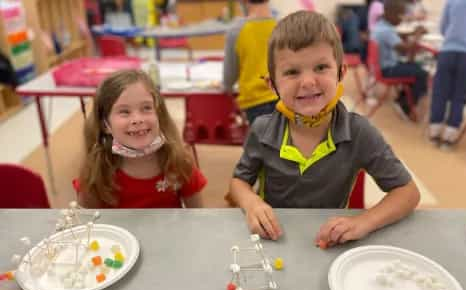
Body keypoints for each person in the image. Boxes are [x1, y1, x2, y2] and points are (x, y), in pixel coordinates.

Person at [228, 10, 420, 247]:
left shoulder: (359, 131)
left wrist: (364, 222)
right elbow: (239, 182)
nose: (308, 82)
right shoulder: (262, 129)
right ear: (272, 84)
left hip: (330, 244)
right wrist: (251, 203)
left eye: (321, 67)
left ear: (341, 72)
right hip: (274, 242)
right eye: (291, 72)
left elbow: (408, 193)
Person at [77, 69, 207, 208]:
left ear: (159, 115)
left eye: (146, 108)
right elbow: (87, 223)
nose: (137, 119)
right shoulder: (97, 171)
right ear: (105, 125)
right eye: (124, 112)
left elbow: (198, 217)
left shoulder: (180, 162)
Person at [428, 0, 466, 146]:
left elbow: (443, 28)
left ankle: (434, 131)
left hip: (448, 51)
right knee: (460, 96)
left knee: (440, 92)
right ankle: (449, 137)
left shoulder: (452, 1)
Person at [223, 0, 278, 124]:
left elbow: (229, 79)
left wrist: (226, 87)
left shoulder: (236, 30)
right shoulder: (281, 26)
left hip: (254, 103)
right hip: (282, 99)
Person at [371, 0, 428, 118]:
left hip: (382, 66)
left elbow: (395, 37)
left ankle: (403, 97)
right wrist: (417, 34)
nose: (402, 19)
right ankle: (405, 105)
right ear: (391, 14)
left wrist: (413, 32)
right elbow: (405, 49)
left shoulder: (382, 25)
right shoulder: (386, 31)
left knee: (416, 66)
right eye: (401, 15)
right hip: (388, 70)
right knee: (422, 74)